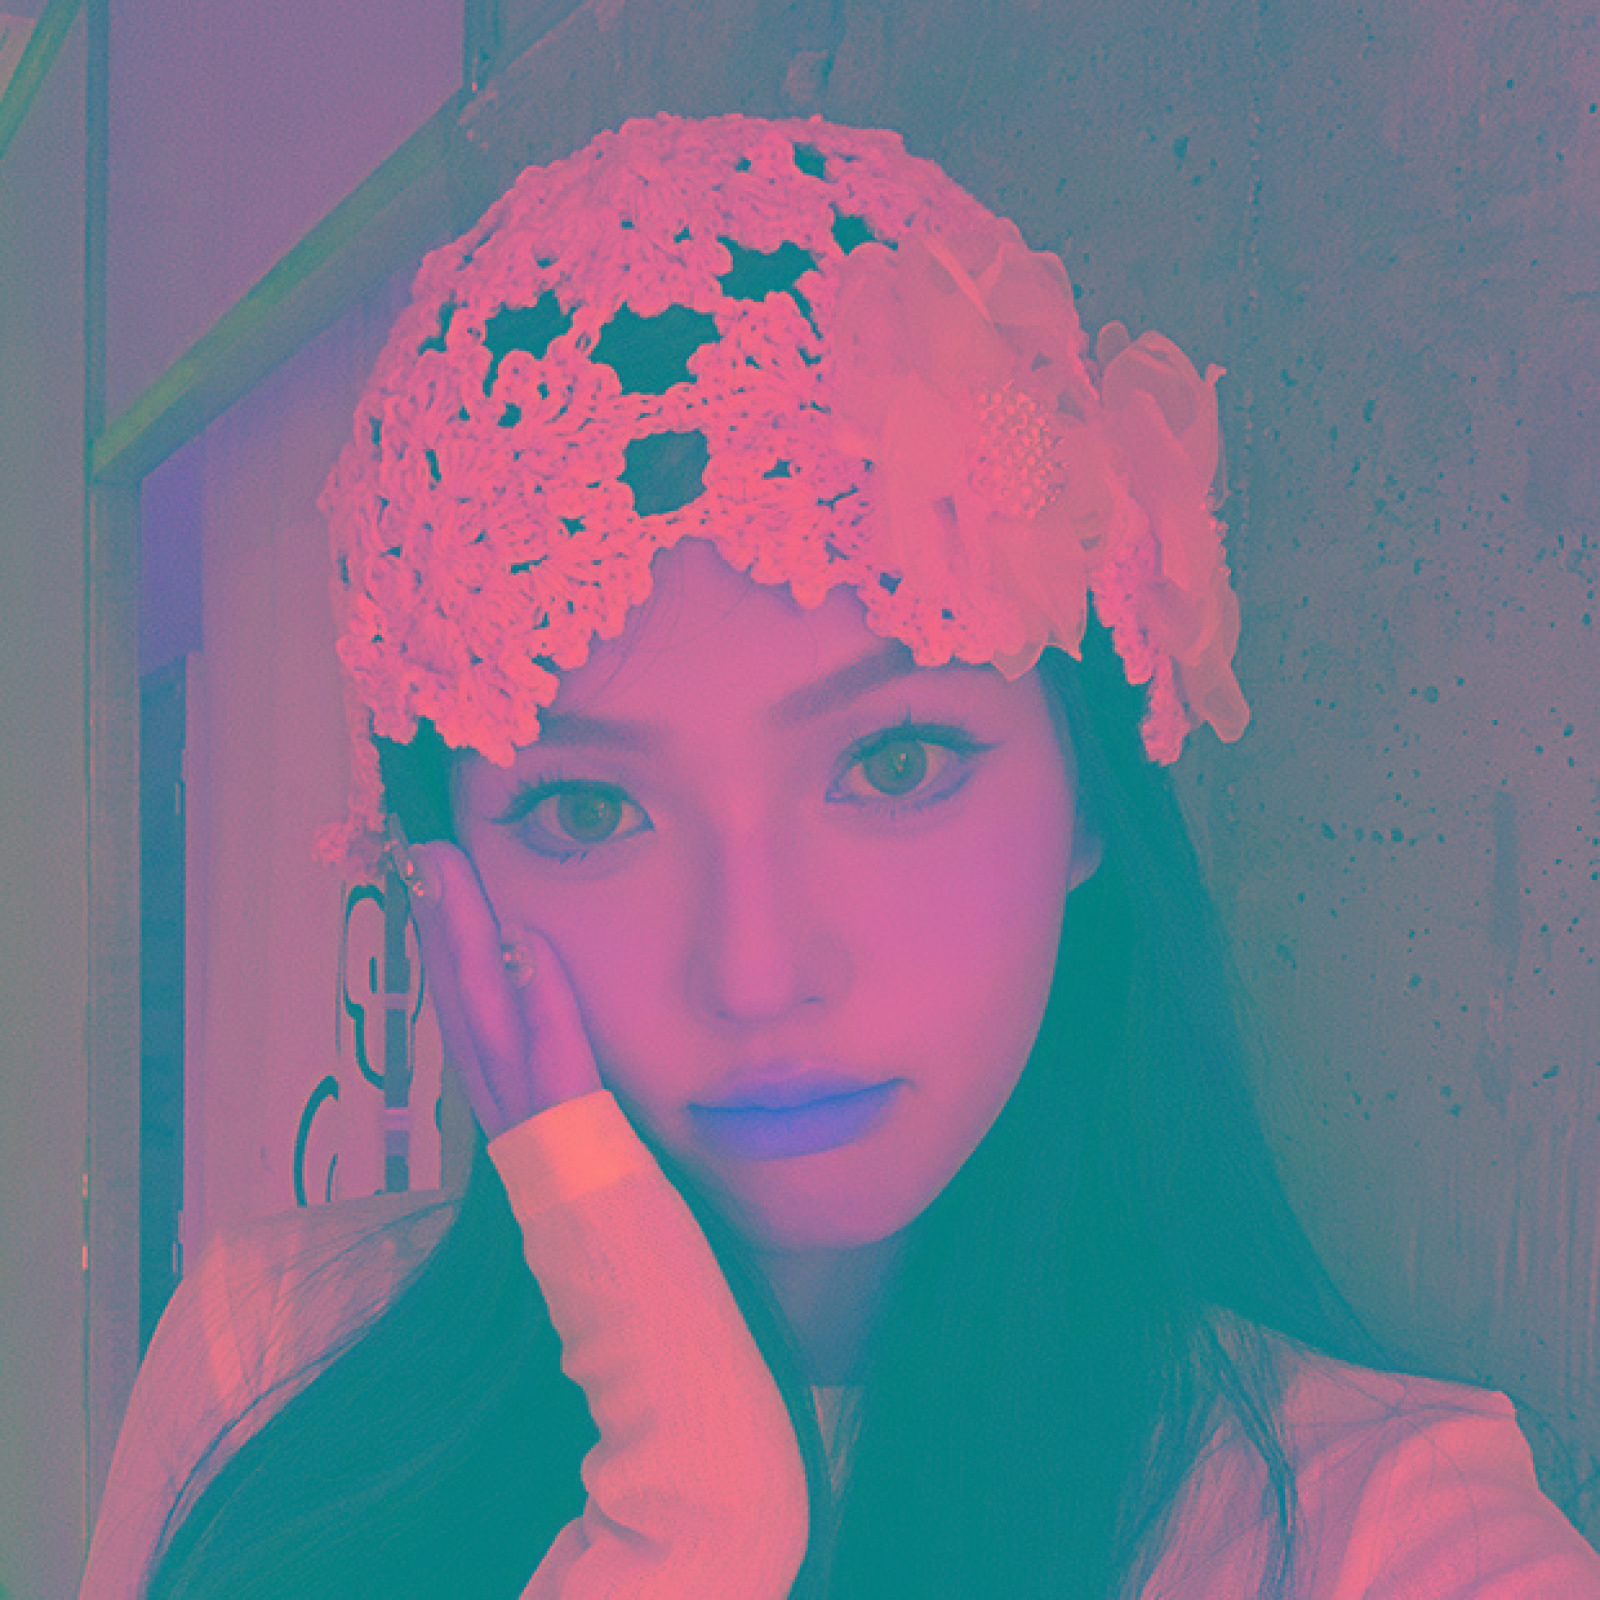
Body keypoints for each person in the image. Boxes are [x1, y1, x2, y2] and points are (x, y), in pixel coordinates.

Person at [80, 111, 1600, 1599]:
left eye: (895, 763)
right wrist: (693, 1519)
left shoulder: (1389, 1540)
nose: (757, 971)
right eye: (591, 811)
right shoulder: (262, 1372)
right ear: (439, 876)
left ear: (1090, 787)